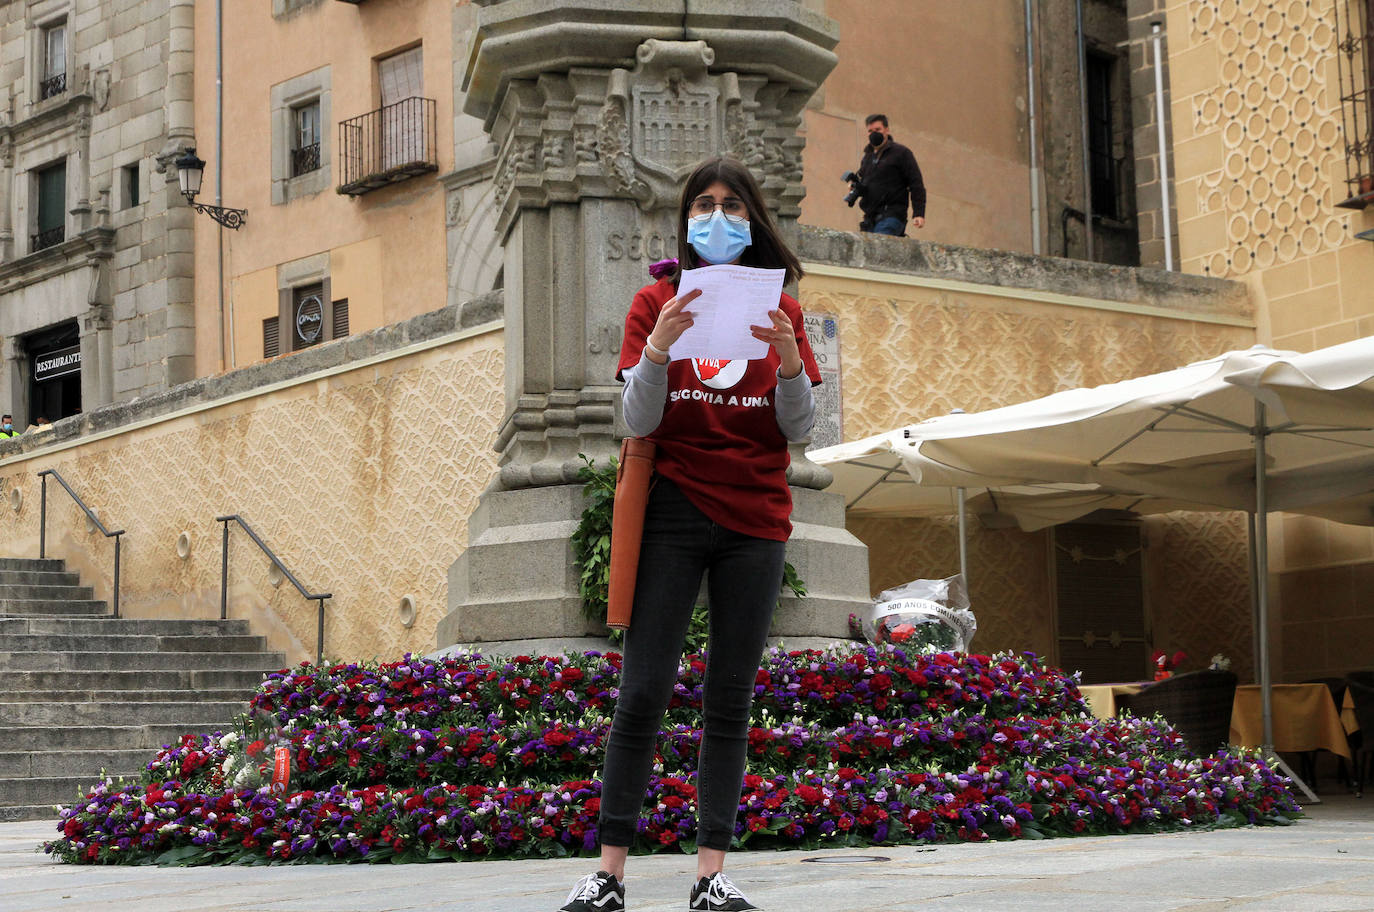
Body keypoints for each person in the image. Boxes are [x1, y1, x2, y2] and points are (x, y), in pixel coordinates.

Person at [559, 157, 820, 912]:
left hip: (756, 520)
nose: (717, 218)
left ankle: (711, 875)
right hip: (673, 511)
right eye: (703, 206)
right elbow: (637, 420)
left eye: (732, 206)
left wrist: (793, 362)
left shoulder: (785, 313)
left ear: (754, 221)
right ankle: (608, 874)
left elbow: (797, 431)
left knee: (729, 700)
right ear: (684, 222)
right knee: (641, 693)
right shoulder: (654, 302)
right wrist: (658, 350)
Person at [854, 113, 926, 236]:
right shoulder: (868, 156)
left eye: (878, 129)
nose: (874, 133)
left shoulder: (901, 153)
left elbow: (916, 183)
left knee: (878, 247)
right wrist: (855, 186)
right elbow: (864, 182)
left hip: (892, 215)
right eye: (870, 131)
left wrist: (918, 213)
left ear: (886, 130)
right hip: (870, 218)